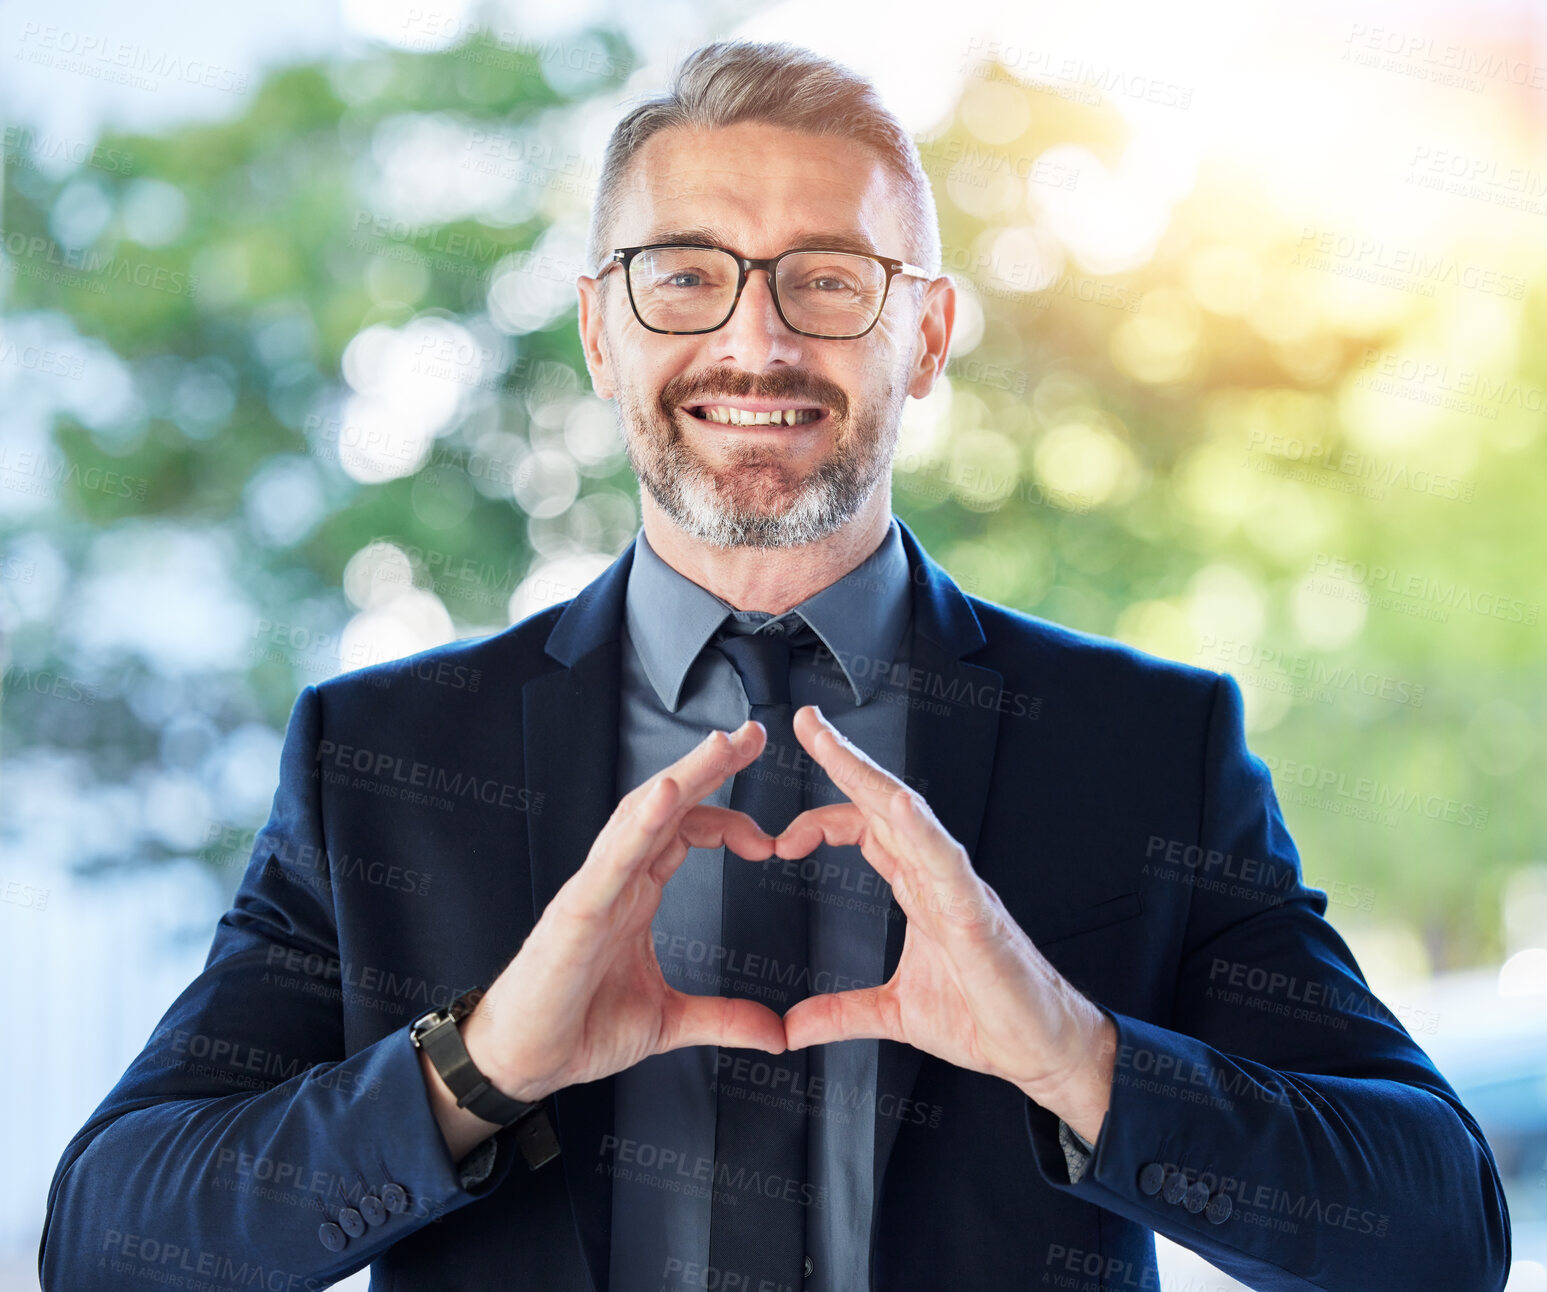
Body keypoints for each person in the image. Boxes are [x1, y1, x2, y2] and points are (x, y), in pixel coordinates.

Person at [41, 39, 1509, 1292]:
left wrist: (1073, 1055)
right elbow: (111, 1233)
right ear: (601, 334)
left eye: (828, 279)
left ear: (925, 336)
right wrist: (477, 1068)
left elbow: (1440, 1222)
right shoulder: (382, 760)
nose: (755, 340)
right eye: (685, 275)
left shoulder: (1143, 748)